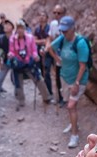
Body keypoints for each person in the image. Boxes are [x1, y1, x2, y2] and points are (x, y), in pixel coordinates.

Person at [48, 16, 90, 148]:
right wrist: (57, 58)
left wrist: (77, 84)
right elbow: (50, 47)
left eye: (66, 30)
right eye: (62, 30)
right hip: (64, 76)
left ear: (73, 28)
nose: (63, 33)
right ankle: (73, 123)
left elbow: (83, 66)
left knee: (71, 106)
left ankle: (75, 135)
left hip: (77, 79)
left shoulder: (80, 43)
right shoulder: (63, 38)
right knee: (68, 103)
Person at [7, 19, 51, 111]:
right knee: (18, 82)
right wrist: (10, 55)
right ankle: (21, 100)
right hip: (18, 63)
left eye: (21, 28)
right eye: (18, 28)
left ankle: (46, 97)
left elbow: (34, 50)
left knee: (38, 78)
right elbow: (11, 50)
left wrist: (36, 56)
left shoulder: (30, 38)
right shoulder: (12, 39)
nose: (20, 30)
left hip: (29, 62)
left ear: (24, 29)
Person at [45, 4, 66, 108]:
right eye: (54, 13)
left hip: (66, 56)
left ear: (64, 14)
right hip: (56, 55)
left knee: (66, 77)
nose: (56, 15)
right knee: (57, 77)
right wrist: (48, 46)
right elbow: (50, 37)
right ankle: (61, 98)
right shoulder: (53, 24)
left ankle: (68, 97)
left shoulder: (68, 24)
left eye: (59, 13)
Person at [34, 11, 53, 101]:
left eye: (43, 16)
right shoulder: (37, 29)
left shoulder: (49, 28)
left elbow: (49, 40)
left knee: (47, 71)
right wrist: (43, 41)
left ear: (47, 18)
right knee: (41, 72)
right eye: (40, 15)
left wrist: (42, 41)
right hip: (39, 52)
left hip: (48, 53)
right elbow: (35, 41)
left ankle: (50, 91)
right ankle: (44, 90)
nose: (41, 17)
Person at [0, 19, 14, 101]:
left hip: (15, 62)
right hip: (6, 62)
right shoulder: (1, 39)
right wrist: (0, 61)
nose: (6, 26)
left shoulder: (16, 38)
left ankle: (19, 96)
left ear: (12, 28)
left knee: (15, 79)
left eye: (8, 25)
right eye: (5, 25)